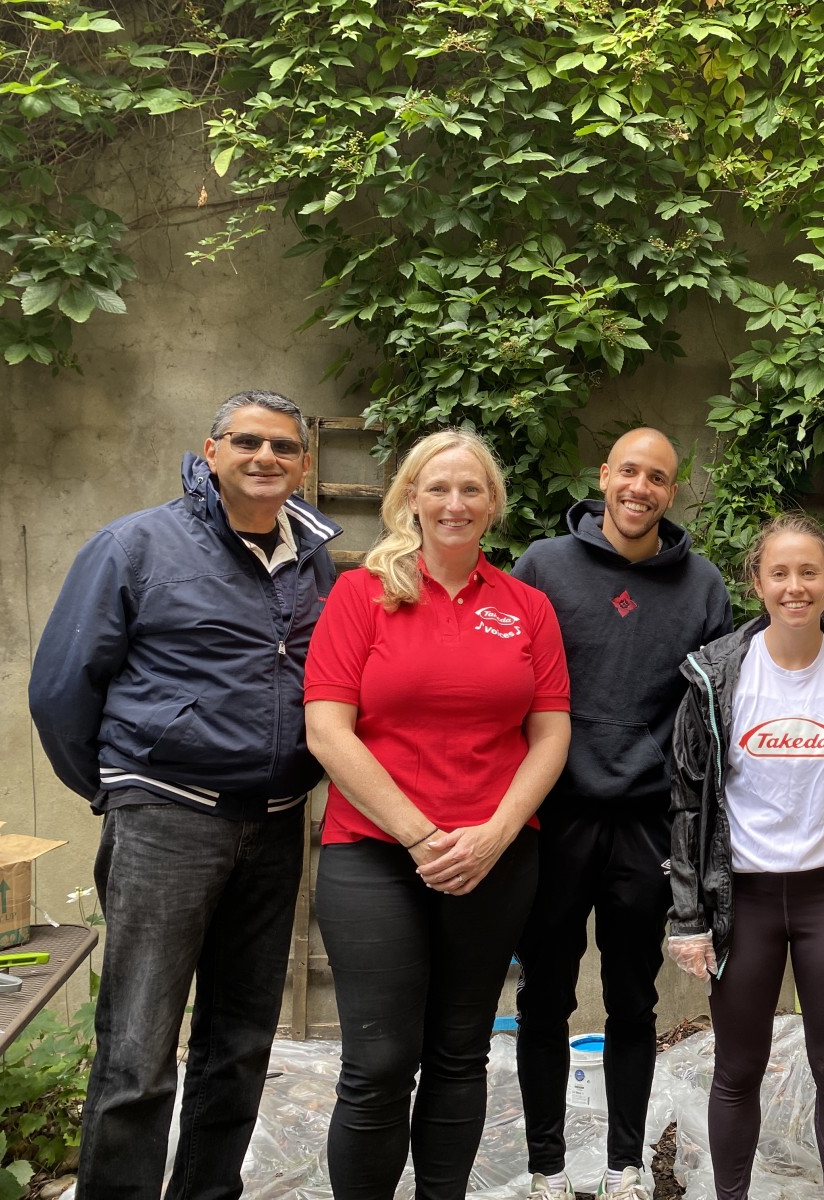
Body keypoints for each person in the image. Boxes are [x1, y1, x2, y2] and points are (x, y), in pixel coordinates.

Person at [29, 390, 341, 1200]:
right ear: (211, 452)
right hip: (167, 818)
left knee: (238, 1044)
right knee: (136, 1050)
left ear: (303, 465)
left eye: (282, 447)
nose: (265, 458)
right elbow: (61, 690)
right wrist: (122, 787)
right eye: (247, 442)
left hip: (273, 826)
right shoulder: (136, 546)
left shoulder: (313, 559)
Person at [303, 429, 571, 1199]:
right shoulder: (361, 594)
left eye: (472, 490)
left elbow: (551, 735)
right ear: (409, 500)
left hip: (495, 857)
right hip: (373, 855)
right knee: (379, 1061)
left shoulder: (527, 607)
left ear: (492, 505)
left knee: (460, 1050)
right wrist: (422, 836)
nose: (455, 504)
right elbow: (327, 729)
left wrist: (494, 834)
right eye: (438, 489)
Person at [510, 427, 733, 1200]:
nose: (641, 488)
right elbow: (511, 684)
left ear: (674, 492)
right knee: (544, 994)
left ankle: (624, 1167)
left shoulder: (703, 586)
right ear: (604, 475)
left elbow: (707, 715)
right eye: (629, 471)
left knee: (634, 999)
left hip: (648, 820)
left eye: (659, 478)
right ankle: (545, 1168)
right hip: (554, 812)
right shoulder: (542, 566)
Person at [668, 512, 824, 1200]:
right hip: (741, 898)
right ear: (757, 582)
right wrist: (687, 915)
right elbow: (688, 803)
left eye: (809, 572)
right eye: (780, 572)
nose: (795, 586)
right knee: (737, 1067)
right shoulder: (717, 676)